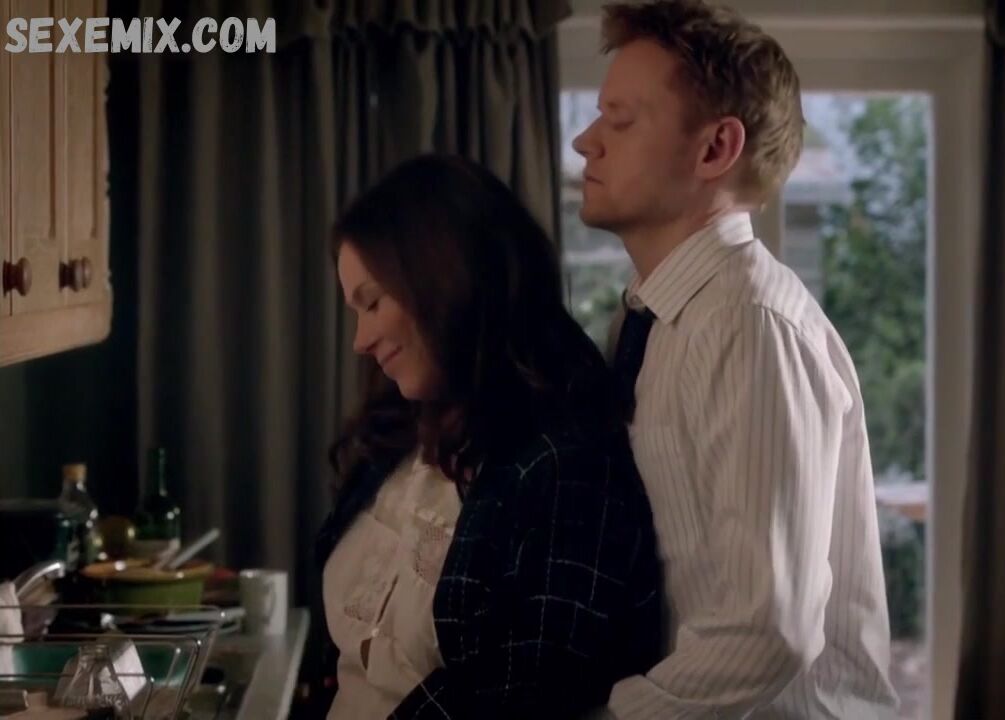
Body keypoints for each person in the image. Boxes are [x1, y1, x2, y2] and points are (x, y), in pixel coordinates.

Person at [572, 1, 899, 717]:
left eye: (619, 121)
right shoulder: (655, 321)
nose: (584, 141)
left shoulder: (748, 326)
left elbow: (766, 630)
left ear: (716, 148)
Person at [313, 154, 664, 719]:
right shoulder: (402, 437)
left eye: (372, 302)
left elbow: (524, 697)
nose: (360, 340)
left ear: (443, 278)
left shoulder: (564, 465)